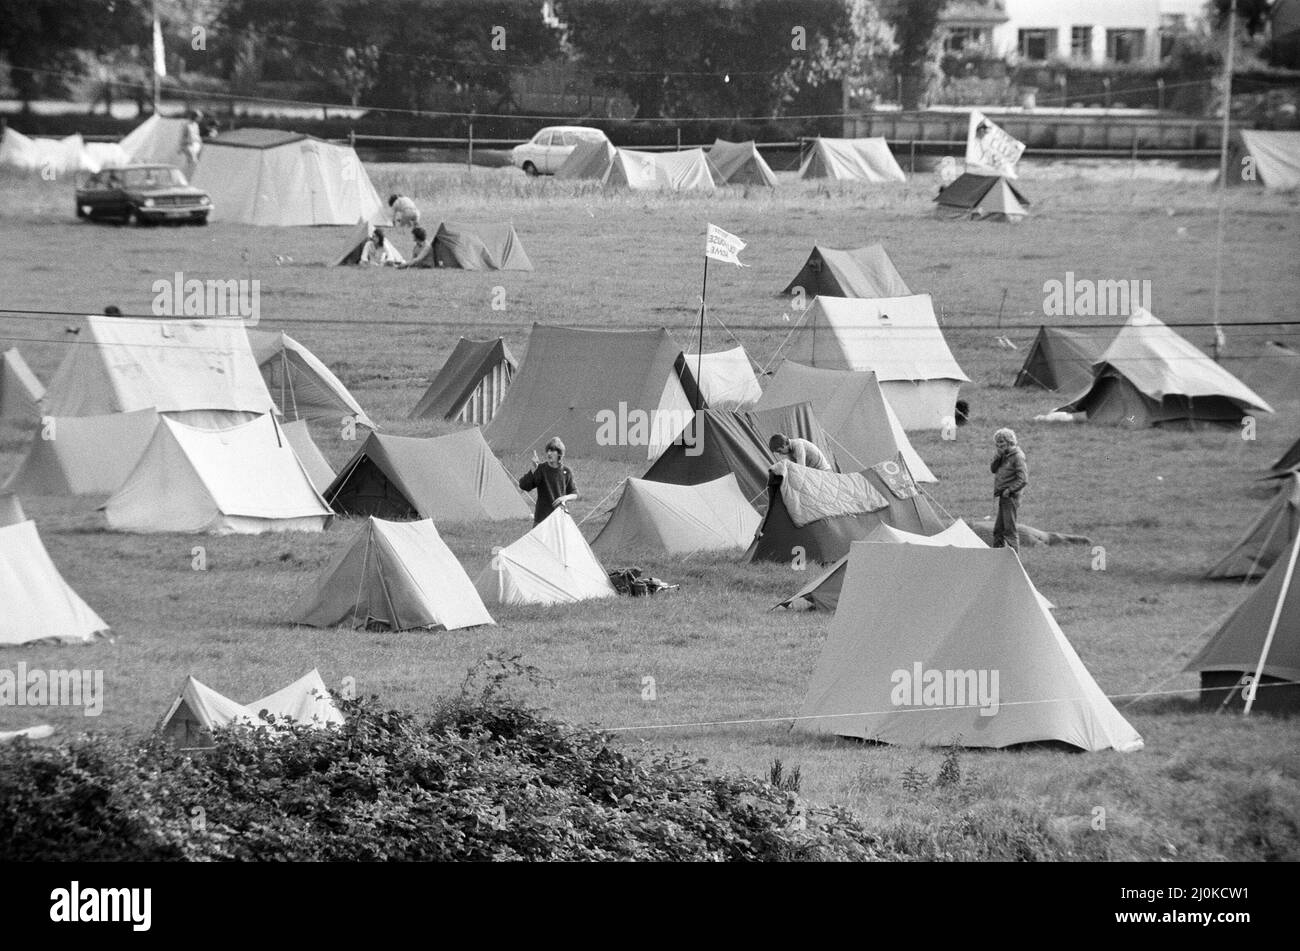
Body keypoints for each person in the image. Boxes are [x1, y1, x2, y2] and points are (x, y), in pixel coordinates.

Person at [519, 437, 577, 525]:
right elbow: (524, 485)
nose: (549, 453)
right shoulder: (541, 469)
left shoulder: (566, 471)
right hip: (541, 518)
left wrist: (564, 498)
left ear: (559, 454)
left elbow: (574, 494)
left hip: (559, 518)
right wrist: (533, 468)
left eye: (553, 451)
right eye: (548, 451)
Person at [991, 427, 1028, 552]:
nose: (999, 445)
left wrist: (1010, 490)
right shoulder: (1004, 456)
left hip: (1011, 497)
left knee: (1009, 530)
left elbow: (1023, 479)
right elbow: (993, 469)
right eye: (997, 442)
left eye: (1002, 442)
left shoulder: (1017, 456)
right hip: (1003, 496)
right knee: (998, 530)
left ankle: (1014, 560)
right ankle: (996, 557)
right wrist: (998, 456)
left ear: (1010, 442)